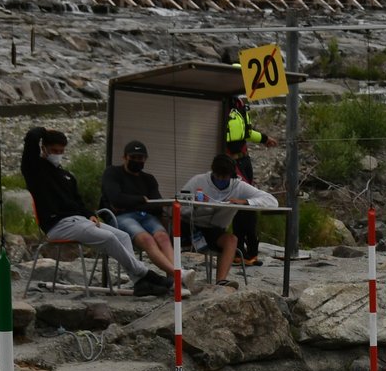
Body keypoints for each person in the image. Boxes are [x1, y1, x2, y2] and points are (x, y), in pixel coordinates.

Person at [20, 126, 170, 297]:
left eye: (61, 151)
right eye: (54, 150)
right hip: (57, 224)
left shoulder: (67, 176)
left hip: (79, 220)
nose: (58, 154)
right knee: (108, 238)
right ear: (43, 148)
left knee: (123, 236)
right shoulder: (34, 169)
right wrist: (45, 131)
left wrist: (89, 214)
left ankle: (139, 283)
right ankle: (145, 273)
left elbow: (78, 202)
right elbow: (31, 137)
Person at [180, 154, 277, 288]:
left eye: (224, 177)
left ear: (231, 175)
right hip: (191, 226)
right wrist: (195, 204)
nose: (220, 179)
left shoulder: (239, 186)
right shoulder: (198, 181)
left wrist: (245, 201)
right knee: (171, 235)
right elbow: (179, 203)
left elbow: (272, 201)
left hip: (214, 230)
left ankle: (221, 281)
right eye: (217, 176)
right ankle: (175, 278)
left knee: (232, 240)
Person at [99, 140, 180, 278]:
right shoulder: (112, 172)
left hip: (144, 216)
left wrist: (129, 201)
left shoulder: (149, 179)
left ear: (145, 159)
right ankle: (178, 275)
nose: (137, 161)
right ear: (125, 157)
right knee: (147, 239)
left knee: (163, 237)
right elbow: (115, 198)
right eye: (133, 157)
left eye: (140, 158)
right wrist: (141, 199)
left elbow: (157, 205)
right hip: (121, 217)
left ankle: (174, 278)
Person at [225, 94, 276, 266]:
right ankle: (244, 251)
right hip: (231, 162)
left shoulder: (239, 103)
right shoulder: (220, 102)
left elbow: (245, 132)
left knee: (247, 203)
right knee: (244, 205)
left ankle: (248, 252)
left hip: (244, 160)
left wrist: (264, 139)